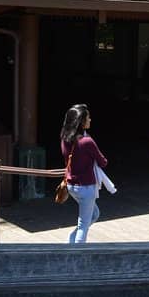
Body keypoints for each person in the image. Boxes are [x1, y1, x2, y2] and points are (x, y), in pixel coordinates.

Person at [59, 103, 108, 244]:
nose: (90, 120)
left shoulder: (64, 138)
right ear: (81, 121)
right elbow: (103, 162)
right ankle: (77, 253)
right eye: (88, 117)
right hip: (86, 187)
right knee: (83, 225)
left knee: (95, 214)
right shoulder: (87, 141)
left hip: (71, 186)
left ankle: (72, 239)